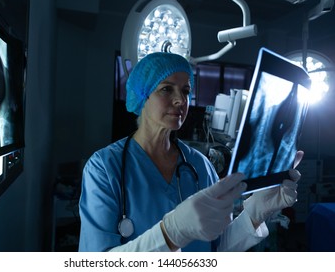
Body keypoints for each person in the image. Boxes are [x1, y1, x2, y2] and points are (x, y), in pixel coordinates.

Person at [78, 52, 303, 252]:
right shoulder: (105, 167)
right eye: (167, 89)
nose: (181, 100)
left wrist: (254, 214)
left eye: (185, 91)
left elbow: (216, 249)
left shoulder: (200, 166)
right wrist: (171, 233)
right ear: (142, 95)